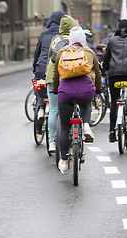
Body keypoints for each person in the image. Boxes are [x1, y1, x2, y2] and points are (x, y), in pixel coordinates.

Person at [52, 26, 102, 174]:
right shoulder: (89, 52)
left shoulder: (62, 52)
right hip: (85, 91)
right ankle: (86, 125)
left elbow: (55, 74)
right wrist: (97, 90)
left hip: (65, 92)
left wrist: (56, 90)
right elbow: (98, 74)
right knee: (86, 104)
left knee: (65, 127)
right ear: (83, 40)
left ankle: (64, 161)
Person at [45, 15, 79, 154]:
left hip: (52, 77)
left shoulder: (55, 40)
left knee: (53, 109)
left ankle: (52, 141)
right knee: (72, 106)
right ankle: (74, 134)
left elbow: (49, 58)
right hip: (71, 77)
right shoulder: (77, 40)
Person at [32, 10, 65, 151]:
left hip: (41, 70)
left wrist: (35, 67)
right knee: (54, 105)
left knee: (40, 88)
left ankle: (40, 108)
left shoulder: (44, 33)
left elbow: (37, 52)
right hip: (58, 72)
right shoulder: (63, 35)